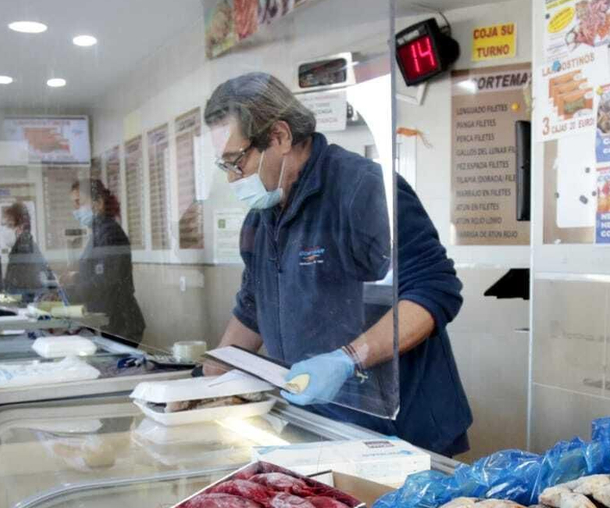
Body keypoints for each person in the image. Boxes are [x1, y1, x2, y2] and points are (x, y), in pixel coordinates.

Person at [202, 72, 472, 456]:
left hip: (398, 433)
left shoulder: (362, 189)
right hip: (319, 423)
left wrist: (348, 359)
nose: (233, 179)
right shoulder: (260, 218)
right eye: (224, 167)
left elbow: (432, 289)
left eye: (237, 161)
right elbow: (253, 308)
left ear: (278, 136)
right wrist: (211, 377)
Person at [68, 178, 147, 344]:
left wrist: (72, 286)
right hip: (108, 320)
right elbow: (98, 272)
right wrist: (75, 277)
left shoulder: (110, 233)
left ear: (98, 203)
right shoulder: (99, 232)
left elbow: (106, 281)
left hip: (120, 324)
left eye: (79, 203)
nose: (75, 210)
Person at [0, 200, 52, 295]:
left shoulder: (24, 252)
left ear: (21, 227)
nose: (5, 230)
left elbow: (22, 289)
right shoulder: (21, 248)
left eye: (10, 225)